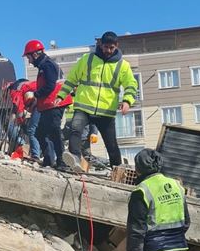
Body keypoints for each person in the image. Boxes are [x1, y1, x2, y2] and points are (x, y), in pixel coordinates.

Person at [56, 31, 138, 171]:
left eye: (111, 48)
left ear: (116, 46)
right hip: (84, 106)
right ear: (100, 45)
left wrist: (127, 101)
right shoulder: (87, 59)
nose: (108, 50)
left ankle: (117, 171)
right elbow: (72, 79)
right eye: (106, 47)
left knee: (111, 145)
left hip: (106, 111)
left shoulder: (122, 65)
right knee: (75, 130)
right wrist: (61, 95)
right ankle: (74, 159)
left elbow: (131, 84)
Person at [24, 40, 73, 170]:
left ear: (35, 54)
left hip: (55, 103)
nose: (29, 61)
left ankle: (62, 162)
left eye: (29, 57)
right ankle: (49, 160)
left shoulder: (47, 65)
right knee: (41, 132)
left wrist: (35, 95)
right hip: (50, 104)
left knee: (54, 131)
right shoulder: (45, 65)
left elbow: (50, 85)